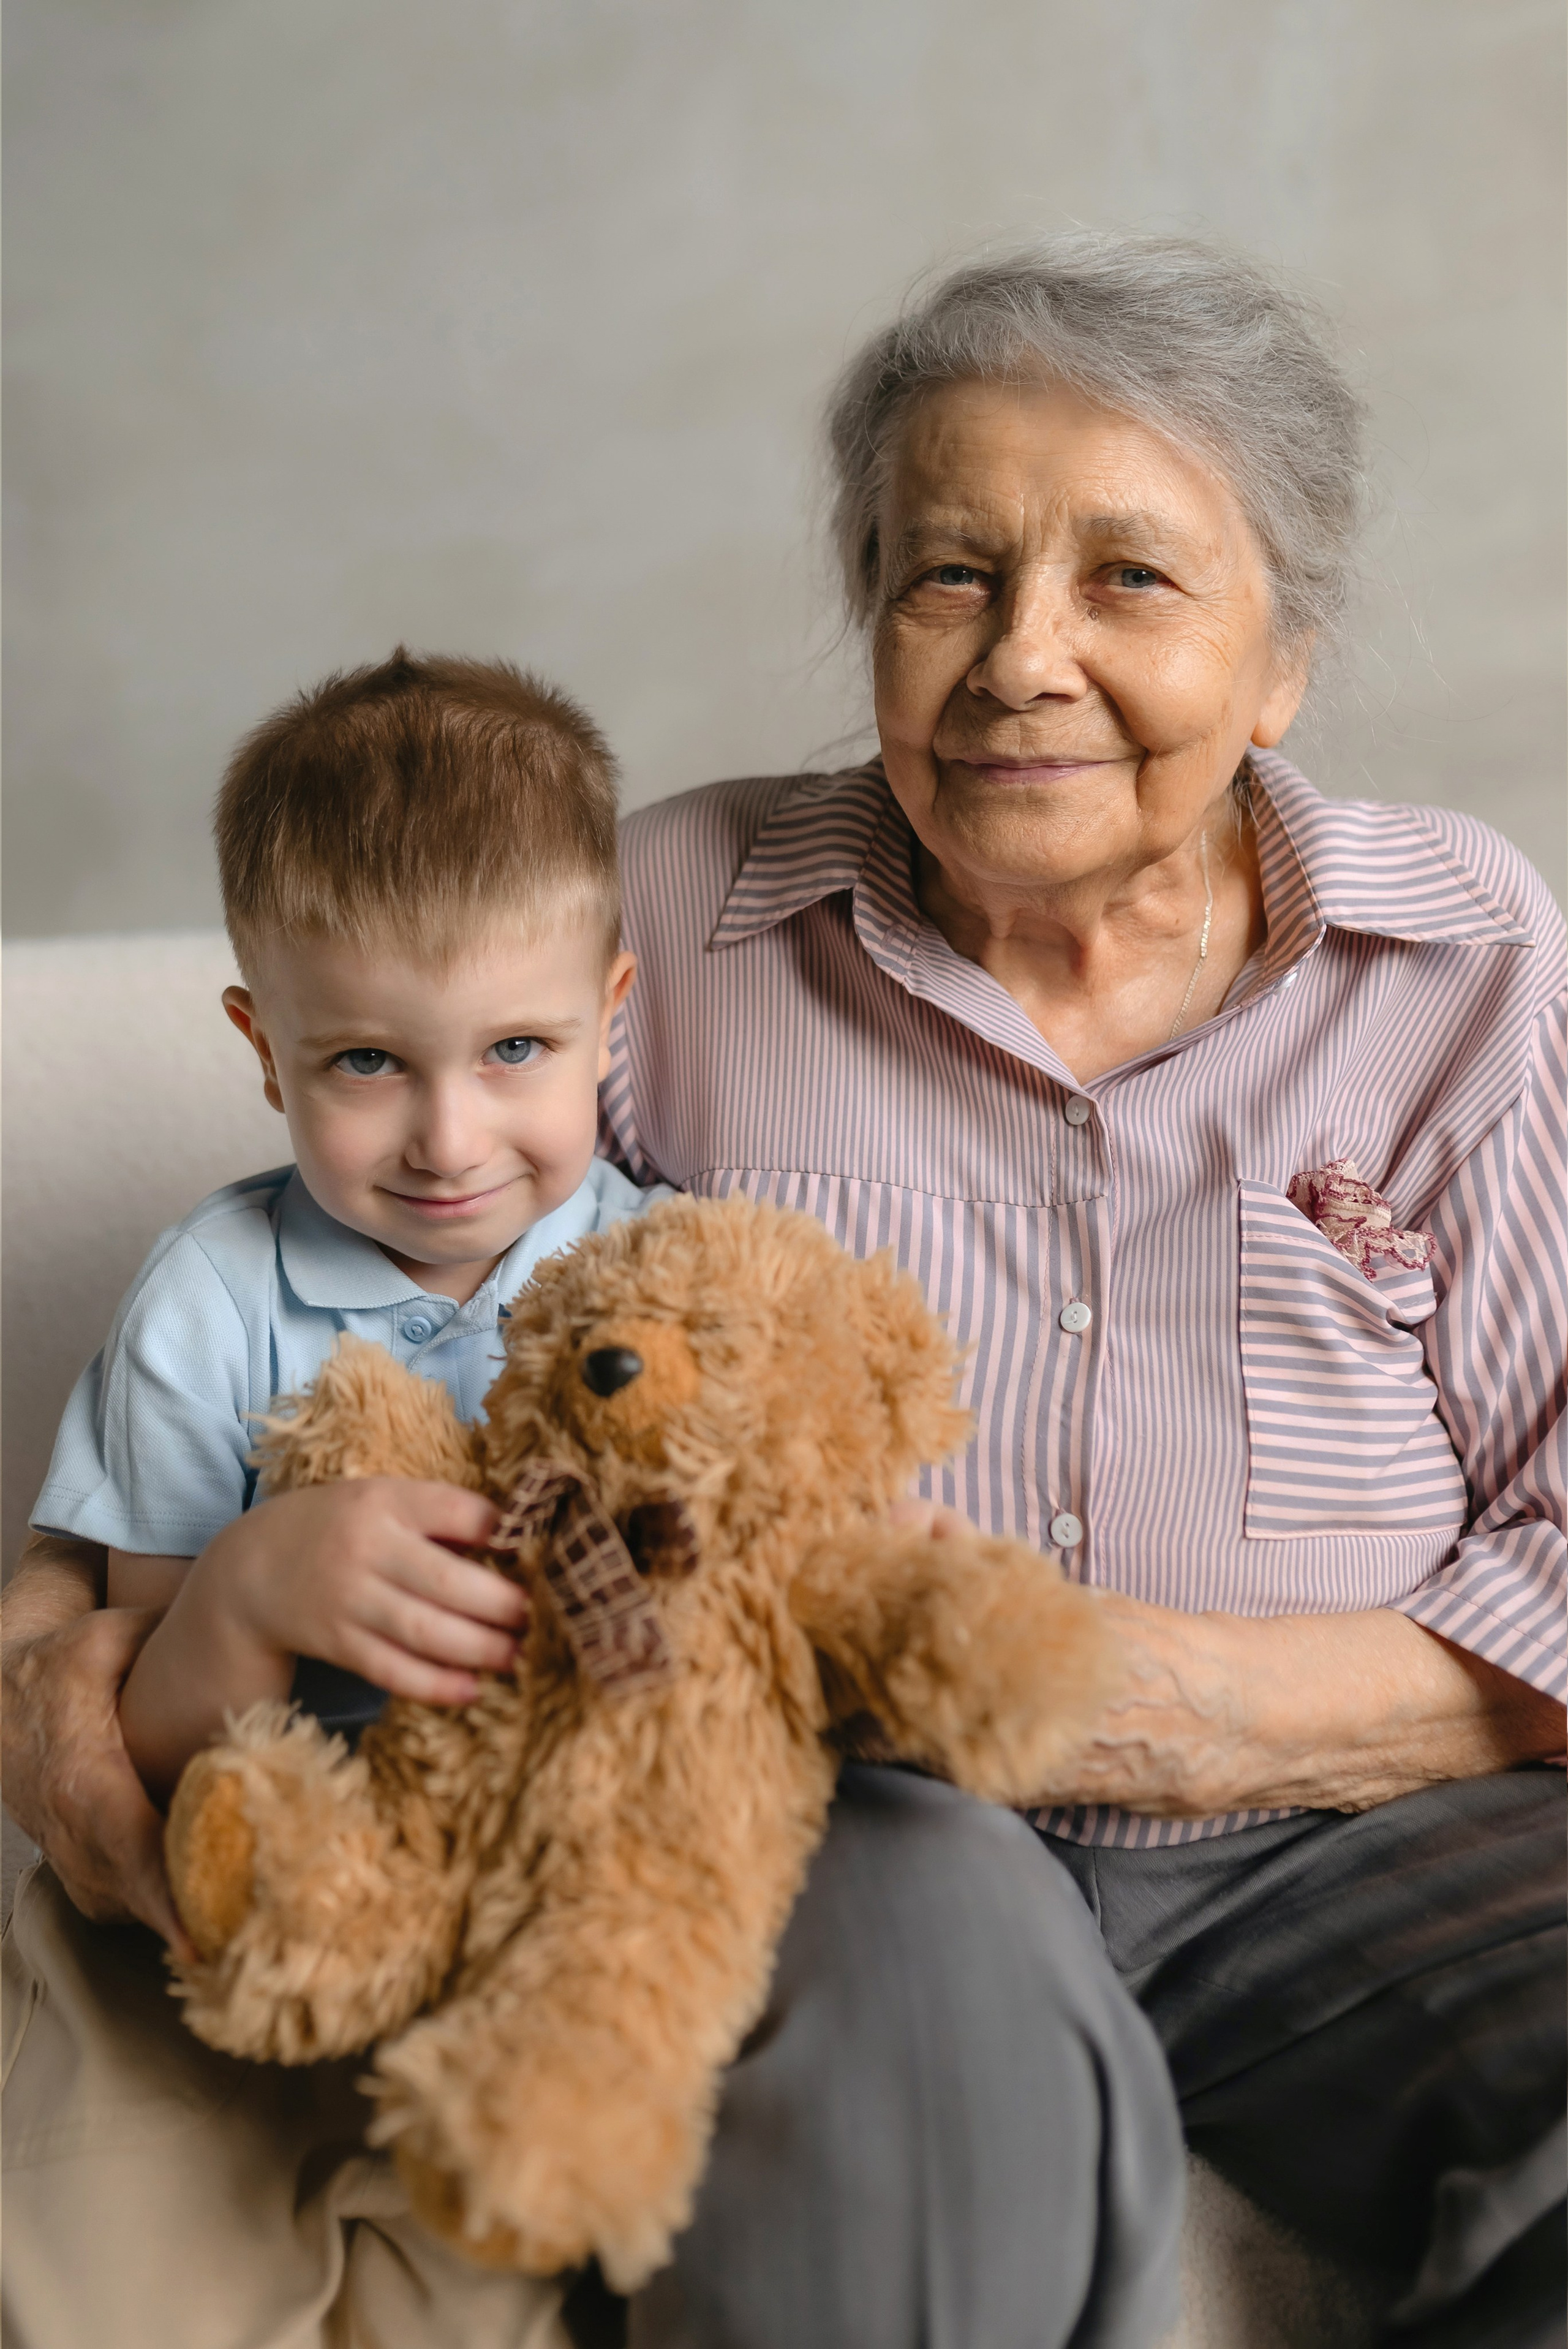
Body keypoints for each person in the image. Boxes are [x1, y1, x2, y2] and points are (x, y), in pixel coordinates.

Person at [6, 235, 1565, 2349]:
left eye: (1128, 578)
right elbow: (387, 1248)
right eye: (949, 576)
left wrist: (1191, 1707)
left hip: (1346, 1833)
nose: (1023, 656)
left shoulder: (1460, 955)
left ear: (1283, 655)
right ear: (869, 617)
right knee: (902, 1984)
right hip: (858, 1802)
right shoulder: (673, 912)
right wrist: (99, 1690)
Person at [3, 649, 671, 2346]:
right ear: (261, 1041)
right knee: (112, 2286)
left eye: (517, 1047)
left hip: (503, 1912)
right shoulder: (212, 1299)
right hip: (188, 1924)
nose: (449, 1136)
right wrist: (242, 1593)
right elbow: (130, 1740)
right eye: (367, 1061)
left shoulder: (659, 1280)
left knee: (487, 2281)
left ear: (616, 1010)